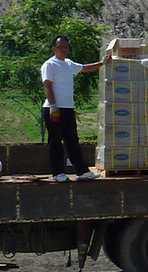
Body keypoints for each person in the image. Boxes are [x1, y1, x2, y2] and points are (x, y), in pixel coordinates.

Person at [42, 35, 107, 182]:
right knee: (55, 141)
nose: (63, 49)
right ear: (54, 49)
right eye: (60, 47)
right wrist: (53, 106)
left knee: (72, 140)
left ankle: (82, 171)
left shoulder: (68, 64)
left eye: (65, 47)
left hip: (68, 109)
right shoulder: (50, 64)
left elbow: (84, 68)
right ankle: (57, 173)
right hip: (54, 109)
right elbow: (47, 85)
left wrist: (102, 63)